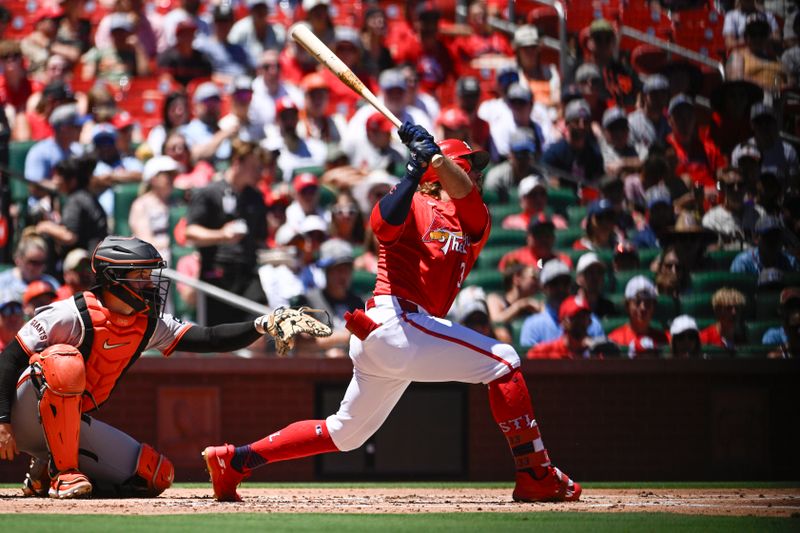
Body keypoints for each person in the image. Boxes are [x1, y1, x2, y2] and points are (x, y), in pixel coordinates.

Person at [203, 124, 582, 504]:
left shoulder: (473, 219)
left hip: (406, 333)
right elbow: (382, 225)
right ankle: (537, 474)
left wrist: (435, 159)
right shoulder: (414, 201)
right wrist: (415, 171)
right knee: (504, 360)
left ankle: (235, 460)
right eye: (470, 165)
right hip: (393, 321)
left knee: (346, 434)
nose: (478, 174)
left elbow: (465, 195)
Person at [0, 235, 289, 499]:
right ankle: (64, 474)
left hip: (65, 422)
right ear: (113, 278)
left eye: (149, 275)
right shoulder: (69, 313)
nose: (149, 284)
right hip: (20, 413)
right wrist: (3, 421)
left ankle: (48, 468)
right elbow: (9, 359)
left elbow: (209, 338)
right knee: (63, 363)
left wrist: (260, 325)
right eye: (140, 276)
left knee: (155, 475)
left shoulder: (147, 325)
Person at [185, 139, 268, 326]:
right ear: (237, 162)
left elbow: (260, 239)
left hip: (248, 272)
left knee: (262, 328)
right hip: (217, 273)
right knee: (222, 336)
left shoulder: (255, 198)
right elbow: (190, 232)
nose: (259, 173)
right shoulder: (208, 193)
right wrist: (222, 235)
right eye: (254, 167)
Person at [291, 239, 364, 358]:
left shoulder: (359, 303)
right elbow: (301, 344)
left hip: (352, 370)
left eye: (346, 269)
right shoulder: (309, 302)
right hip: (317, 371)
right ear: (326, 271)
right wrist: (343, 337)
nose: (342, 275)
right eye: (337, 269)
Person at [519, 259, 604, 347]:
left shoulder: (591, 322)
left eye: (565, 282)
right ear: (544, 288)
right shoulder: (533, 326)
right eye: (554, 284)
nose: (561, 289)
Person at [608, 276, 669, 358]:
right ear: (627, 306)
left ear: (653, 306)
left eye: (648, 302)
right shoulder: (614, 340)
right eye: (637, 302)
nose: (643, 308)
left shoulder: (665, 340)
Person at [527, 296, 595, 359]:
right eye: (574, 317)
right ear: (563, 322)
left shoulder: (596, 352)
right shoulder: (546, 352)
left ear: (590, 321)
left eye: (584, 317)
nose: (580, 321)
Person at [498, 217, 573, 273]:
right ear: (528, 237)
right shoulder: (513, 259)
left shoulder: (563, 261)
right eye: (538, 235)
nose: (543, 239)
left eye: (547, 235)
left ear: (553, 238)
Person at [730, 215, 800, 274]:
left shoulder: (791, 262)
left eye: (777, 236)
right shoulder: (743, 263)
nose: (773, 241)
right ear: (756, 238)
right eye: (768, 237)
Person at [0, 235, 61, 303]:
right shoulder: (3, 282)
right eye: (33, 262)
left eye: (42, 262)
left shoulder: (51, 284)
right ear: (18, 260)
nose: (38, 267)